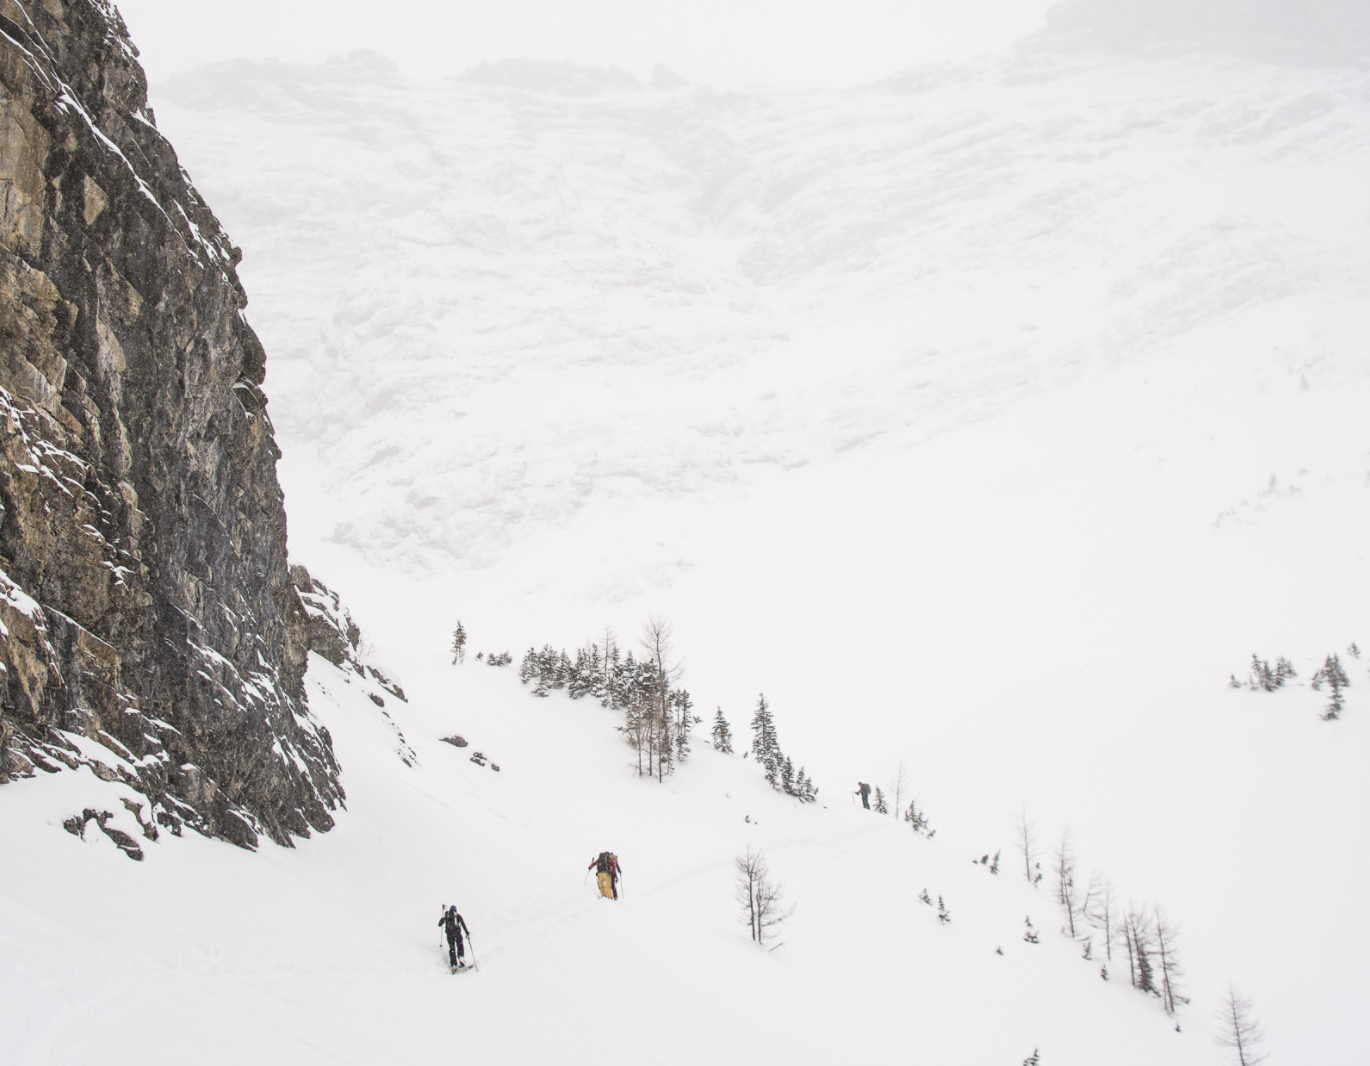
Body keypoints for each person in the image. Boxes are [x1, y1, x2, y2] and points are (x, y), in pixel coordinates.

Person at [438, 904, 472, 970]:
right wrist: (467, 933)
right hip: (457, 934)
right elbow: (463, 924)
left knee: (452, 949)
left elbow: (439, 924)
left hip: (449, 935)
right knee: (460, 945)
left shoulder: (446, 916)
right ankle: (461, 959)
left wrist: (443, 918)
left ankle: (454, 965)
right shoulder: (458, 916)